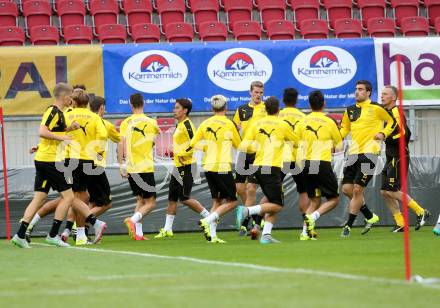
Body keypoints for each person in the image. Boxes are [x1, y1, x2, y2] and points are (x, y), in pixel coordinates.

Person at [11, 83, 79, 248]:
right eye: (70, 96)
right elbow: (43, 131)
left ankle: (20, 234)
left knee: (40, 197)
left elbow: (53, 133)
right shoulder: (53, 111)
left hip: (44, 158)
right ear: (64, 96)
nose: (72, 99)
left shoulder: (60, 114)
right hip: (51, 161)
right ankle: (53, 235)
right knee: (69, 197)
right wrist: (61, 138)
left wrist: (70, 128)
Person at [179, 95, 241, 243]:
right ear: (226, 108)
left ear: (212, 108)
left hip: (208, 167)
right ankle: (207, 220)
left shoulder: (205, 123)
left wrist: (182, 154)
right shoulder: (229, 124)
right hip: (222, 166)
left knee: (217, 201)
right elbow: (239, 145)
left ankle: (212, 236)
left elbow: (193, 143)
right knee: (232, 201)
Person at [236, 96, 298, 244]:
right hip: (271, 168)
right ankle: (247, 211)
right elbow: (296, 142)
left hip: (256, 166)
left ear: (265, 109)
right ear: (279, 110)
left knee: (271, 199)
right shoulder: (282, 124)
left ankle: (266, 235)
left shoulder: (256, 124)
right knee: (278, 205)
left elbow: (244, 146)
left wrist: (258, 146)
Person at [339, 80, 396, 237]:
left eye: (361, 89)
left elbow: (392, 121)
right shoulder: (349, 110)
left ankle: (348, 226)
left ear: (368, 92)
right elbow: (344, 128)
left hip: (370, 153)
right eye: (356, 89)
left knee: (358, 190)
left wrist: (383, 134)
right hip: (353, 153)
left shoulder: (377, 108)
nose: (357, 92)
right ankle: (370, 216)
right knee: (346, 189)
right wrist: (337, 139)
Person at [155, 98, 210, 238]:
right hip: (178, 166)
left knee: (184, 198)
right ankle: (167, 229)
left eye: (177, 107)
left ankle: (210, 217)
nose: (174, 110)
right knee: (172, 198)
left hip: (188, 166)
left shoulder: (187, 124)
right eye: (174, 107)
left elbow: (195, 142)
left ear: (185, 110)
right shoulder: (179, 125)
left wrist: (181, 153)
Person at [379, 86, 430, 232]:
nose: (382, 96)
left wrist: (385, 136)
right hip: (390, 156)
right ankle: (400, 222)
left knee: (392, 190)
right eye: (381, 94)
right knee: (384, 191)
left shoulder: (396, 112)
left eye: (385, 94)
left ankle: (421, 212)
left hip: (399, 156)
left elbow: (404, 133)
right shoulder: (387, 113)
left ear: (394, 97)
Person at [63, 88, 109, 245]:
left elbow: (56, 132)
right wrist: (98, 156)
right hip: (89, 160)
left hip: (72, 159)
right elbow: (102, 136)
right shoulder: (94, 117)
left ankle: (94, 223)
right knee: (83, 197)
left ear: (74, 102)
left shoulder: (67, 115)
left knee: (69, 196)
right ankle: (81, 234)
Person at [297, 91, 343, 240]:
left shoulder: (302, 121)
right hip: (321, 163)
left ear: (309, 105)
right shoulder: (329, 122)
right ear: (324, 104)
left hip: (306, 164)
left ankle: (304, 233)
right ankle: (314, 217)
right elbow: (340, 146)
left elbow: (296, 142)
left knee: (315, 200)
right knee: (334, 199)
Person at [118, 93, 160, 241]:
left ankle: (138, 234)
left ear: (130, 104)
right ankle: (132, 221)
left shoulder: (126, 122)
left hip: (131, 166)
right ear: (144, 103)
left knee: (140, 200)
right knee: (151, 202)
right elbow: (154, 140)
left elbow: (121, 143)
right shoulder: (152, 122)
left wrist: (121, 165)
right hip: (145, 167)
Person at [233, 81, 266, 238]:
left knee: (251, 189)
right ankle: (255, 218)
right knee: (240, 189)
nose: (258, 95)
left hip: (259, 154)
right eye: (256, 92)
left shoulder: (266, 109)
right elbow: (234, 128)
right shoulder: (241, 110)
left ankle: (245, 225)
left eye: (261, 92)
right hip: (244, 152)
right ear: (250, 92)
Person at [278, 87, 309, 239]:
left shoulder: (277, 115)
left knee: (273, 190)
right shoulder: (303, 117)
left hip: (280, 157)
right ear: (297, 100)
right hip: (298, 159)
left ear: (283, 99)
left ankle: (259, 223)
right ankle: (306, 226)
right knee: (303, 192)